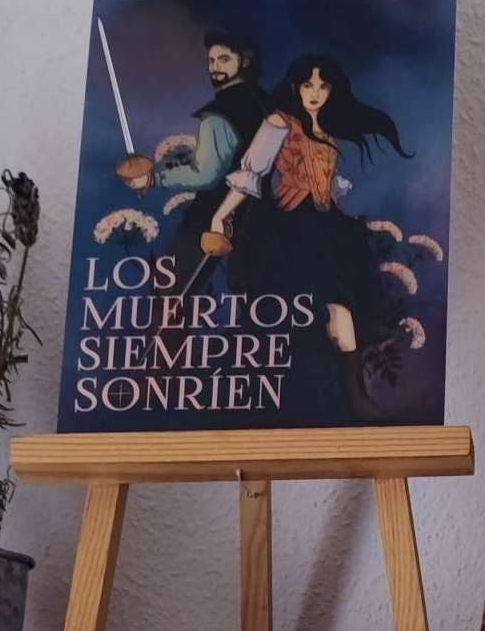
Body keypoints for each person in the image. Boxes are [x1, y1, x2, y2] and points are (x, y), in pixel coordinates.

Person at [208, 54, 412, 417]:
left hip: (328, 228)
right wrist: (221, 216)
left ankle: (355, 394)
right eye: (307, 85)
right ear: (295, 87)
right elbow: (252, 173)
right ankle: (293, 396)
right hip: (291, 230)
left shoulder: (327, 134)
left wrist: (346, 222)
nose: (315, 93)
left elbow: (327, 189)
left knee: (342, 306)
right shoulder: (279, 123)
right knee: (298, 311)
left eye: (322, 85)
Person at [119, 29, 269, 293]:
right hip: (258, 221)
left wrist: (153, 178)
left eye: (224, 59)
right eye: (211, 60)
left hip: (210, 221)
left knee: (168, 292)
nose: (214, 67)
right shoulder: (265, 105)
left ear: (245, 61)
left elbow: (206, 174)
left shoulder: (220, 114)